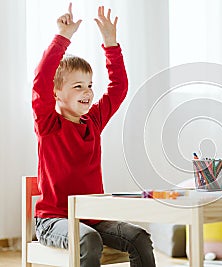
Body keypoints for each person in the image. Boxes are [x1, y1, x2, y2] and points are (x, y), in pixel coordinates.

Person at [32, 4, 156, 267]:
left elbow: (118, 87)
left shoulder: (94, 122)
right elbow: (41, 79)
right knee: (89, 240)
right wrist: (62, 37)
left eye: (89, 85)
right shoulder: (48, 124)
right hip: (53, 221)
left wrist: (111, 43)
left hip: (93, 217)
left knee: (140, 238)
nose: (87, 92)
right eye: (78, 87)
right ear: (57, 94)